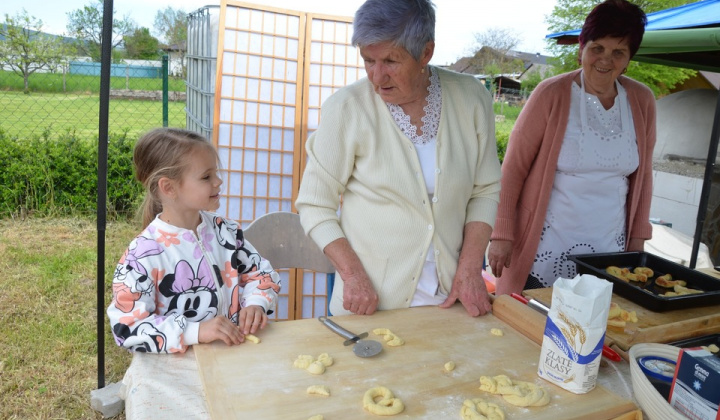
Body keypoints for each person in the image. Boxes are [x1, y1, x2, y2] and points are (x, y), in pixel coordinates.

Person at [295, 0, 501, 317]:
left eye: (391, 61)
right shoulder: (347, 108)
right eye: (368, 61)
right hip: (369, 302)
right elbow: (314, 204)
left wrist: (472, 267)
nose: (378, 77)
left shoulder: (471, 98)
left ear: (426, 53)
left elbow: (485, 190)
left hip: (453, 297)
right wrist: (353, 276)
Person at [488, 0, 655, 295]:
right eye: (597, 48)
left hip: (610, 252)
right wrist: (502, 234)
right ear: (581, 48)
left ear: (629, 59)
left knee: (591, 333)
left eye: (619, 52)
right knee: (532, 333)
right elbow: (513, 168)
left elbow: (644, 178)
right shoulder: (551, 93)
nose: (606, 59)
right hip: (545, 248)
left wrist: (638, 242)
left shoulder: (642, 101)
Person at [107, 128, 281, 353]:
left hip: (234, 357)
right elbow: (127, 327)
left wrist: (257, 302)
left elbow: (261, 274)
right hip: (177, 370)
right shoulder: (142, 255)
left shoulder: (226, 231)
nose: (218, 181)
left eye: (216, 173)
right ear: (169, 187)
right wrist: (195, 331)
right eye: (206, 176)